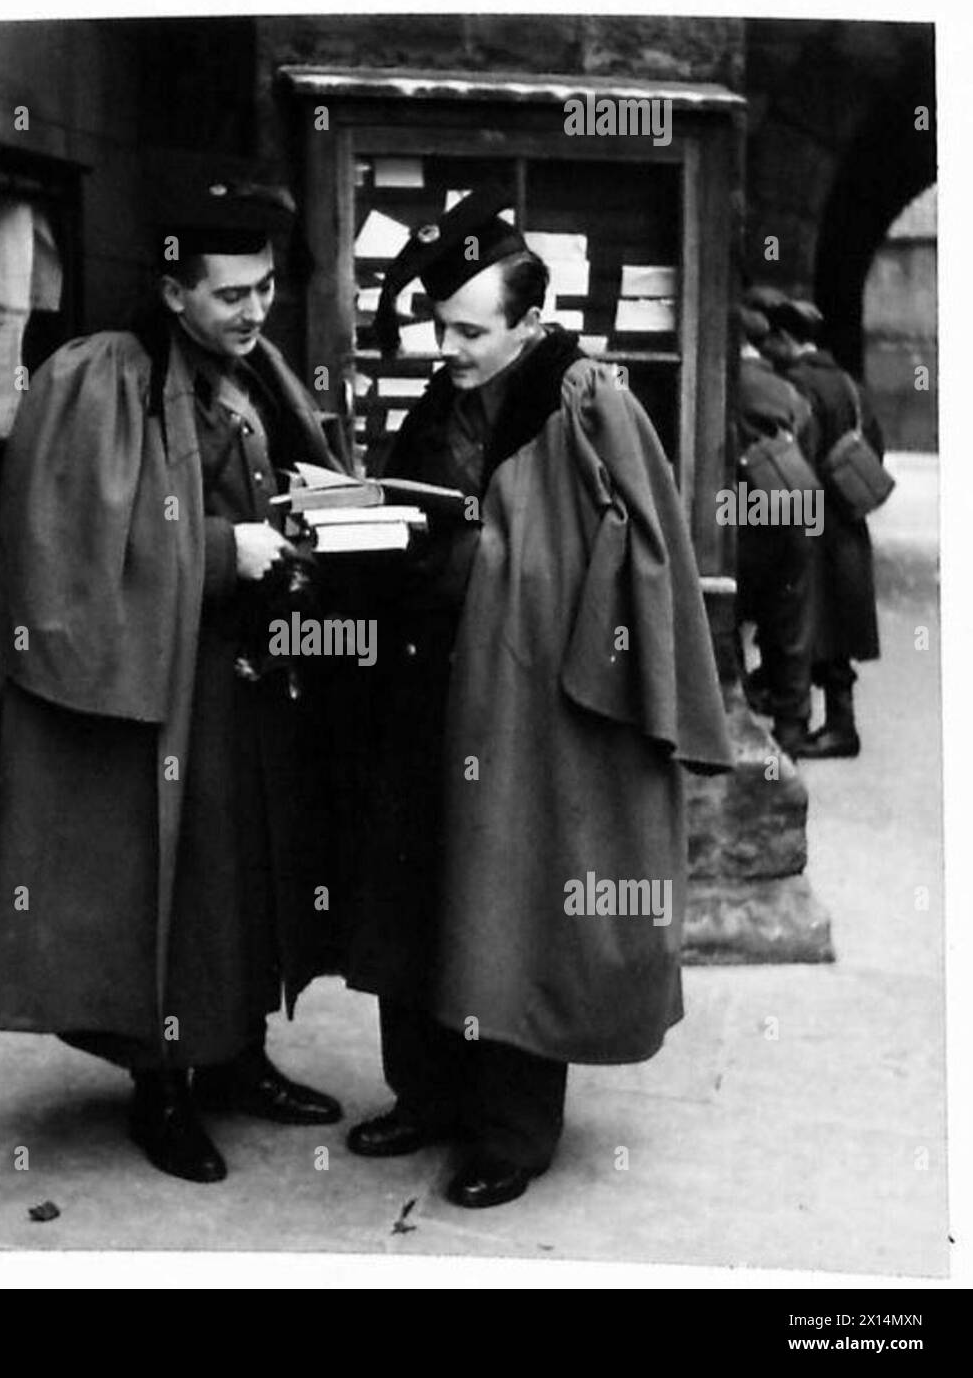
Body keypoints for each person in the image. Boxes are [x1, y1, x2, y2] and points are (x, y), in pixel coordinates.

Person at [342, 189, 733, 1208]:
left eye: (472, 330)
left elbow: (644, 553)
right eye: (441, 326)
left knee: (510, 900)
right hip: (427, 688)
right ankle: (425, 1095)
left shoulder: (585, 399)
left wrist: (491, 559)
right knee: (421, 887)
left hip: (529, 704)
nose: (450, 346)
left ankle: (512, 1131)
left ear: (530, 323)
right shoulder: (439, 399)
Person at [0, 179, 346, 1184]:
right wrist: (229, 551)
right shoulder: (103, 379)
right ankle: (164, 1088)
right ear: (174, 290)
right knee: (168, 883)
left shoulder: (263, 371)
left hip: (249, 681)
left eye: (266, 288)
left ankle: (235, 1058)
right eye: (231, 294)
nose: (255, 310)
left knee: (244, 874)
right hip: (157, 685)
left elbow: (300, 478)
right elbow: (83, 551)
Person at [763, 298, 885, 758]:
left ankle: (836, 727)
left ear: (786, 338)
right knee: (837, 624)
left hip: (814, 521)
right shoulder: (849, 385)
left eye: (772, 338)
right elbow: (875, 444)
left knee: (812, 623)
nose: (767, 347)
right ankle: (838, 722)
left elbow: (795, 456)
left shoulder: (795, 384)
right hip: (848, 520)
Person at [734, 302, 819, 755]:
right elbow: (807, 441)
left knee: (729, 615)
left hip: (741, 512)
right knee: (791, 620)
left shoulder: (726, 383)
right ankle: (792, 723)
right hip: (798, 508)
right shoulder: (787, 389)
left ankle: (735, 716)